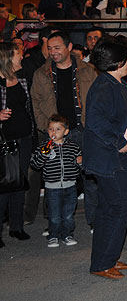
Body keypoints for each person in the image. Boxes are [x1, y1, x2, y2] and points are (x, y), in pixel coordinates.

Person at [31, 31, 98, 229]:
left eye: (57, 47)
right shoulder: (40, 73)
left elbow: (96, 98)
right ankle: (53, 224)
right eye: (50, 48)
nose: (53, 52)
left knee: (90, 178)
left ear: (69, 47)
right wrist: (46, 126)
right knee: (53, 178)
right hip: (54, 134)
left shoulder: (88, 70)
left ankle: (94, 221)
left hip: (83, 130)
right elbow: (34, 102)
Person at [83, 41, 127, 279]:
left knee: (109, 209)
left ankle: (106, 258)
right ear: (118, 63)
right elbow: (95, 121)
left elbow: (112, 115)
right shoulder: (105, 86)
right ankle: (103, 263)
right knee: (121, 208)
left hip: (113, 158)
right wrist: (119, 141)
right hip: (110, 159)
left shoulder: (111, 82)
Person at [0, 42, 35, 248]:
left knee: (19, 185)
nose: (22, 56)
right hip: (5, 143)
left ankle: (16, 226)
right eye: (18, 53)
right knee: (4, 188)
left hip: (24, 139)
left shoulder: (21, 80)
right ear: (7, 58)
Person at [30, 114, 82, 248]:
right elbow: (35, 164)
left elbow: (79, 166)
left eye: (58, 129)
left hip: (70, 186)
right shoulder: (44, 147)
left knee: (68, 215)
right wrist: (43, 155)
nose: (54, 132)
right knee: (54, 215)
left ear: (66, 132)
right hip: (52, 187)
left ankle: (67, 234)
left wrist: (80, 162)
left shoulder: (73, 147)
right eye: (51, 129)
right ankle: (53, 235)